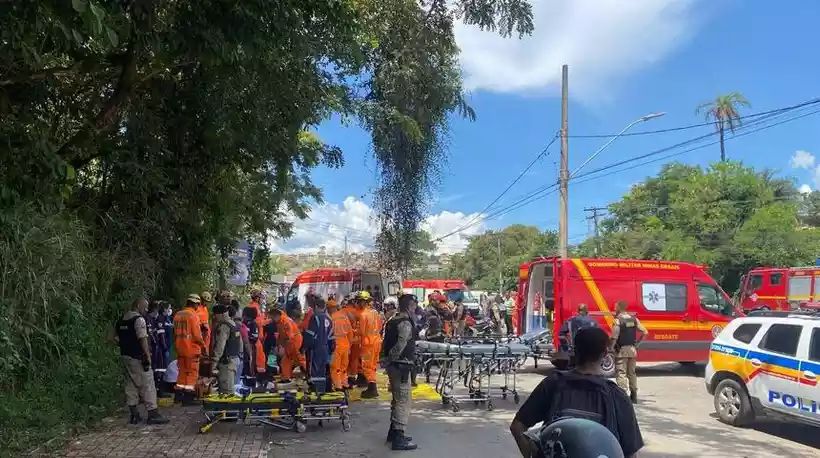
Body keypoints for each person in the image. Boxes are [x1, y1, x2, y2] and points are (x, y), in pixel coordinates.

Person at [509, 327, 643, 458]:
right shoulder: (617, 395)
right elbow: (630, 452)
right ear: (605, 354)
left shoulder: (553, 384)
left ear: (575, 351)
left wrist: (532, 454)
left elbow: (517, 426)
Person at [114, 298, 169, 424]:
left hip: (125, 356)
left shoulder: (121, 320)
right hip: (139, 357)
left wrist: (124, 344)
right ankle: (153, 414)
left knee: (131, 384)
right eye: (144, 307)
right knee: (148, 384)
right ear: (138, 305)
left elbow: (112, 337)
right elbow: (142, 338)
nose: (146, 310)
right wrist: (147, 355)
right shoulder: (138, 320)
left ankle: (134, 414)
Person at [381, 294, 419, 451]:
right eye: (414, 306)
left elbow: (386, 342)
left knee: (397, 399)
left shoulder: (392, 320)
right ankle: (398, 436)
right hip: (401, 366)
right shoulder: (404, 323)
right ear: (409, 306)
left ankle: (393, 432)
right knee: (403, 400)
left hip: (395, 366)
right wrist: (392, 358)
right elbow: (400, 345)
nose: (415, 309)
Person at [611, 300, 648, 404]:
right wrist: (638, 344)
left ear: (619, 307)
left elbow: (614, 337)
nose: (614, 309)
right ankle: (634, 395)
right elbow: (645, 332)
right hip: (632, 350)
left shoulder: (617, 321)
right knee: (631, 373)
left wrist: (610, 348)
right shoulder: (634, 319)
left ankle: (623, 396)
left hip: (621, 350)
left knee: (621, 372)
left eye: (615, 307)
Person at [173, 294, 206, 404]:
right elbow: (197, 335)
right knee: (192, 373)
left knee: (182, 372)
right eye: (197, 304)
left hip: (180, 348)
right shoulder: (193, 315)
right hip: (191, 349)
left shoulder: (178, 314)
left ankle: (178, 396)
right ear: (194, 303)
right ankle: (188, 399)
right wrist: (203, 346)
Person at [303, 298, 335, 393]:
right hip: (325, 349)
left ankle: (315, 392)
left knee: (314, 371)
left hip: (315, 349)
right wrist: (331, 350)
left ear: (316, 307)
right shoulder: (329, 319)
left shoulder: (315, 317)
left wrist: (304, 347)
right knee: (322, 371)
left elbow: (310, 334)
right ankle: (323, 390)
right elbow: (332, 337)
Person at [356, 290, 383, 398]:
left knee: (367, 366)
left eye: (360, 301)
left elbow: (361, 332)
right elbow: (380, 327)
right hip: (377, 342)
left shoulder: (363, 315)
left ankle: (372, 388)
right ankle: (371, 386)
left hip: (368, 343)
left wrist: (352, 330)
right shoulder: (375, 313)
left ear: (364, 302)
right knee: (373, 365)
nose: (359, 303)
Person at [211, 304, 241, 395]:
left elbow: (220, 346)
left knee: (226, 392)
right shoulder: (234, 324)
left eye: (215, 315)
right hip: (235, 359)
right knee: (230, 389)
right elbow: (240, 344)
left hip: (226, 363)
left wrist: (214, 363)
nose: (214, 317)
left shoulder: (224, 327)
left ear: (221, 314)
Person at [271, 307, 306, 383]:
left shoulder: (286, 321)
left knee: (297, 358)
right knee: (287, 360)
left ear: (279, 315)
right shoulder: (279, 323)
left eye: (274, 316)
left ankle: (308, 373)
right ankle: (286, 377)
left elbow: (290, 336)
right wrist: (278, 345)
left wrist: (283, 347)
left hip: (294, 341)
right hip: (289, 342)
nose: (273, 318)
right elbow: (281, 336)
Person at [329, 297, 353, 391]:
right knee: (344, 366)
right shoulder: (344, 317)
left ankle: (338, 385)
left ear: (330, 308)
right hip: (345, 344)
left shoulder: (330, 318)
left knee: (335, 367)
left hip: (335, 345)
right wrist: (349, 345)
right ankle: (345, 383)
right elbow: (350, 332)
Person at [342, 295, 364, 388]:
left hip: (346, 340)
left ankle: (347, 379)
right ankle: (352, 378)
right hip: (356, 340)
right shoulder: (357, 312)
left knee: (347, 360)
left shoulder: (344, 312)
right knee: (355, 360)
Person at [247, 290, 267, 375]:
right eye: (261, 298)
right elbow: (258, 322)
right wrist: (270, 321)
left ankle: (257, 371)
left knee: (258, 355)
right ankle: (259, 373)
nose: (262, 300)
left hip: (258, 335)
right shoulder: (254, 307)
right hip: (256, 336)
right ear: (257, 298)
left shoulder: (256, 307)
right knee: (259, 355)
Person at [241, 306, 261, 388]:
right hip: (242, 348)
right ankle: (243, 382)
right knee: (244, 365)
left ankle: (251, 384)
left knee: (250, 366)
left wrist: (246, 337)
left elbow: (254, 337)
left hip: (250, 347)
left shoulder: (253, 324)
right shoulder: (243, 324)